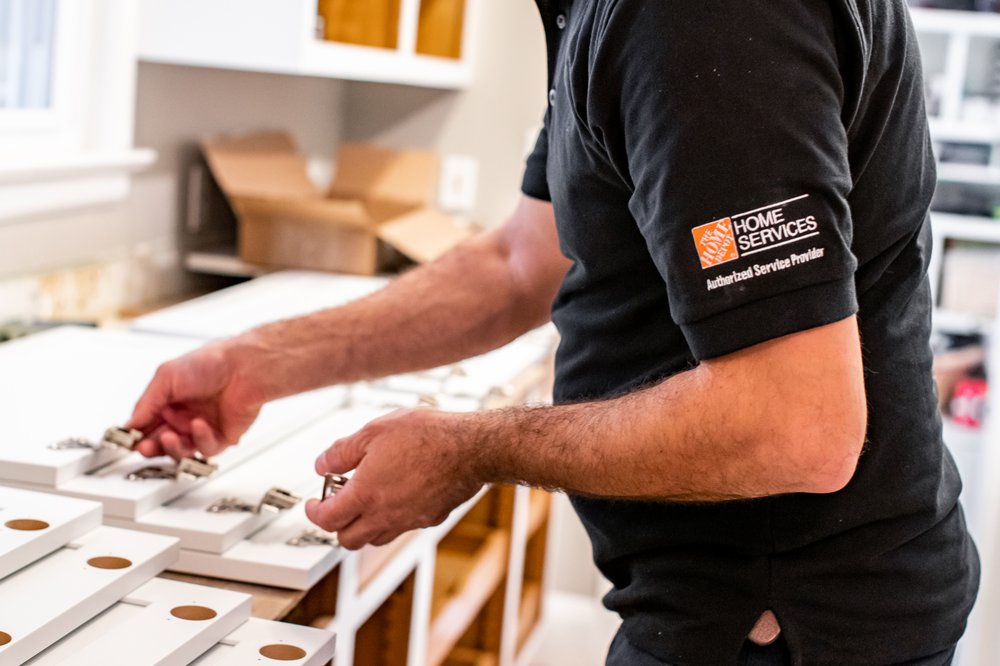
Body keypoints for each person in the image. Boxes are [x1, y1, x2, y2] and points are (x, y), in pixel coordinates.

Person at [129, 1, 980, 663]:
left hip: (788, 624)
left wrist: (471, 451)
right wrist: (257, 363)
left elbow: (794, 424)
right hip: (726, 604)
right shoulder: (598, 13)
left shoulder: (698, 16)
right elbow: (521, 261)